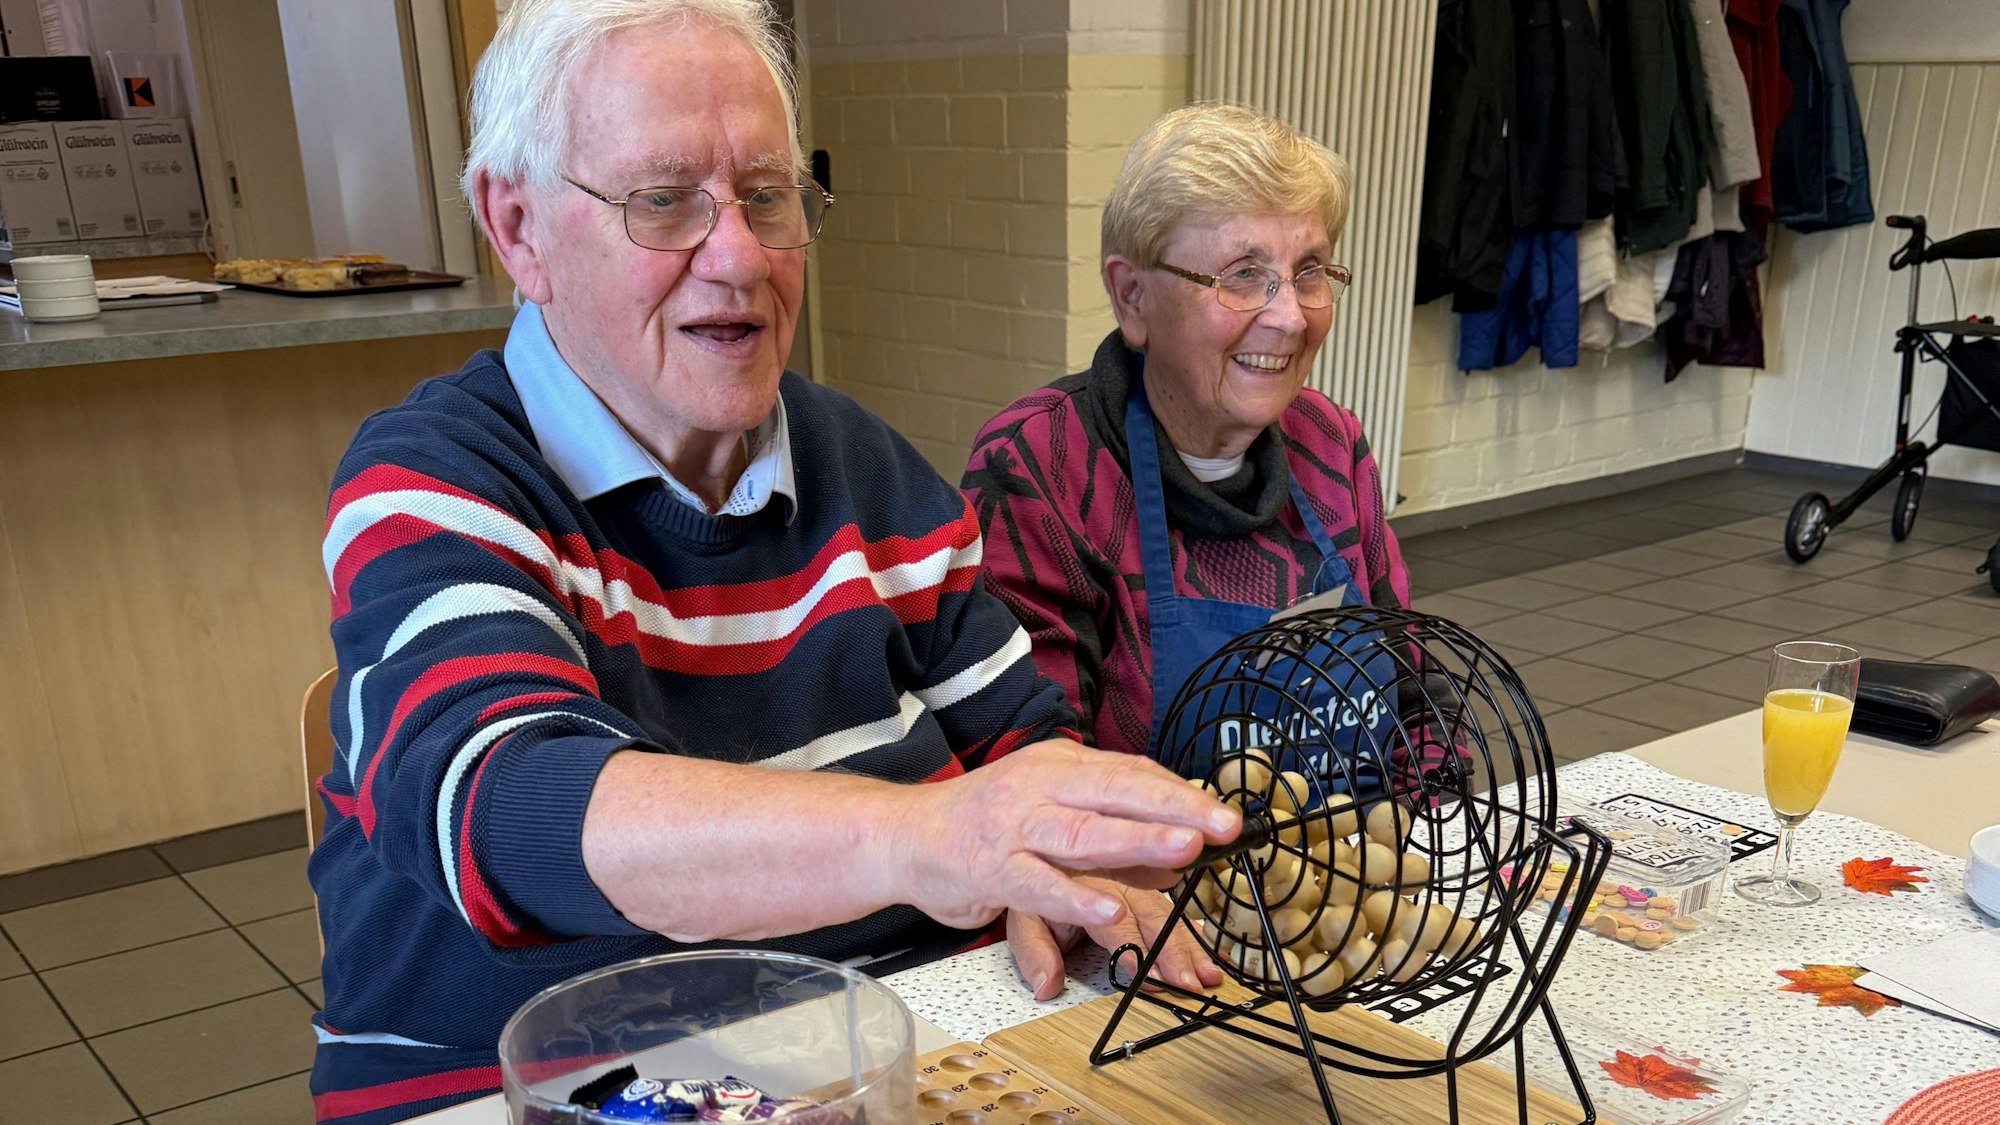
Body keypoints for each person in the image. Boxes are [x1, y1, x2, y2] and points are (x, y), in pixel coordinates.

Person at [309, 3, 1235, 1120]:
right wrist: (934, 837)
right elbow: (514, 808)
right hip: (524, 1092)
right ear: (517, 231)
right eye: (663, 201)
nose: (739, 256)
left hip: (878, 1055)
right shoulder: (435, 481)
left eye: (765, 195)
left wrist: (1055, 872)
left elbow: (1018, 750)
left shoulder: (867, 468)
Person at [963, 103, 1412, 765]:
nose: (1289, 317)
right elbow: (1038, 776)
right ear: (1133, 298)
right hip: (1143, 868)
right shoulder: (1041, 468)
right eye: (1242, 276)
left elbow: (1420, 694)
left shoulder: (1332, 445)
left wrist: (1435, 835)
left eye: (1309, 271)